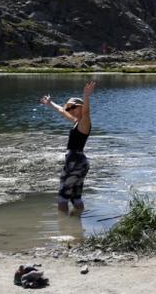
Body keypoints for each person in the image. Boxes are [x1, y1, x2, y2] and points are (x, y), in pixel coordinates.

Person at [40, 81, 96, 213]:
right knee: (75, 197)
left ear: (81, 107)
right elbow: (62, 111)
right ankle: (77, 224)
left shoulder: (84, 121)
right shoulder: (77, 122)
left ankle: (64, 227)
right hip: (79, 161)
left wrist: (86, 96)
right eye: (69, 108)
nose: (70, 110)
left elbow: (87, 112)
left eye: (73, 107)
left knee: (62, 198)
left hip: (75, 161)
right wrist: (50, 103)